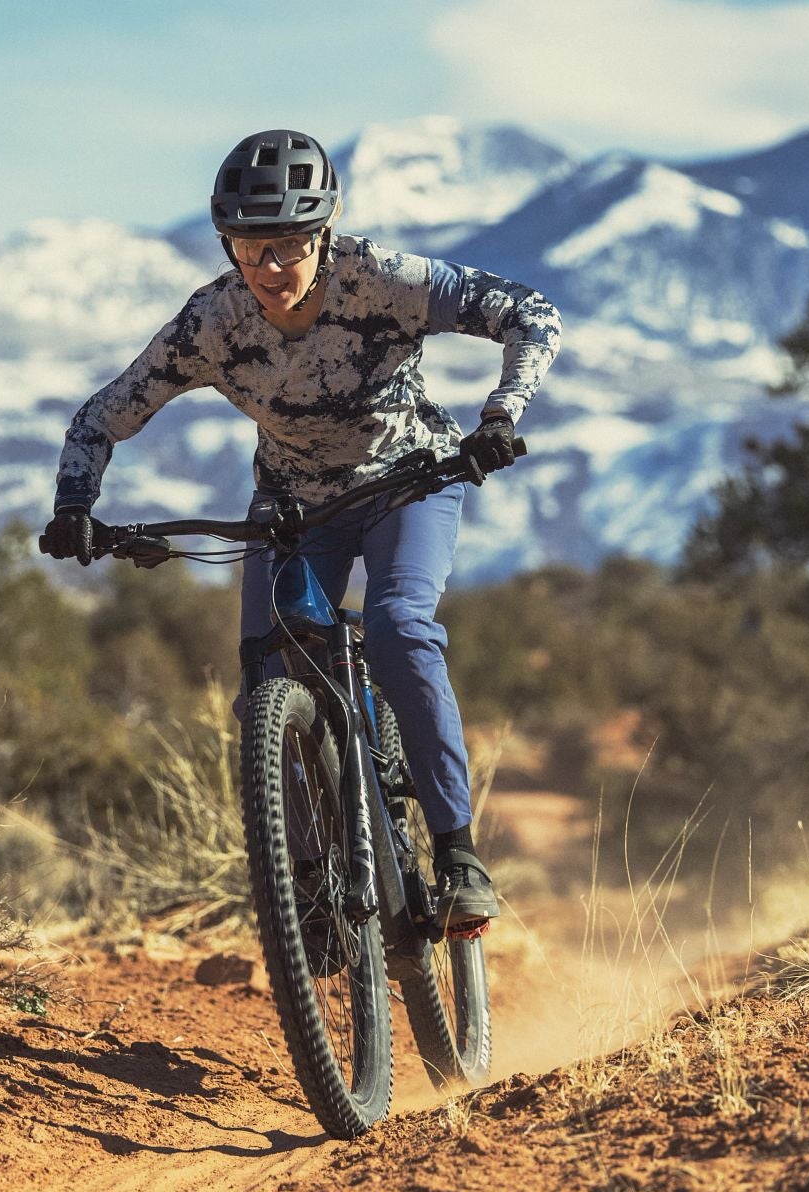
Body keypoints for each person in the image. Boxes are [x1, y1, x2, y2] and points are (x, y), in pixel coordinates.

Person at [42, 128, 563, 932]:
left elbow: (531, 313)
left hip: (409, 484)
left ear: (323, 232)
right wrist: (75, 503)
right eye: (250, 249)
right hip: (292, 508)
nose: (270, 269)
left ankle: (457, 853)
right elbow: (101, 415)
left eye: (287, 245)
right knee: (265, 685)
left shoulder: (384, 279)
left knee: (397, 628)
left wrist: (500, 416)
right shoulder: (211, 323)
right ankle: (311, 889)